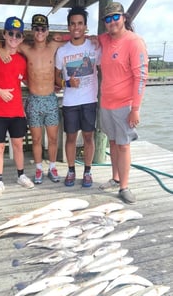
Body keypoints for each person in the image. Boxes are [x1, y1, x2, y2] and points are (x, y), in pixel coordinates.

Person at [0, 14, 65, 184]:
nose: (40, 32)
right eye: (36, 28)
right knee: (36, 139)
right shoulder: (25, 48)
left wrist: (89, 38)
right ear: (32, 31)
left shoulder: (54, 45)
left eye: (43, 29)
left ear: (47, 31)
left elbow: (75, 38)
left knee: (54, 138)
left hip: (50, 99)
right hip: (33, 100)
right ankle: (39, 168)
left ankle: (52, 166)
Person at [98, 2, 148, 204]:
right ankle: (115, 178)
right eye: (107, 19)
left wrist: (135, 109)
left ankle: (124, 186)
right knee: (112, 141)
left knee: (124, 145)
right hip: (106, 103)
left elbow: (141, 77)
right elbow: (90, 39)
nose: (112, 22)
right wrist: (63, 37)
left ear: (124, 18)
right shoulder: (104, 39)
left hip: (125, 105)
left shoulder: (135, 42)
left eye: (115, 17)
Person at [0, 16, 34, 198]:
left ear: (22, 38)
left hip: (17, 111)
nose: (14, 37)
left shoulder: (22, 60)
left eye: (18, 35)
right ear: (4, 34)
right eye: (10, 33)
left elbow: (26, 79)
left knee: (18, 145)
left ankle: (21, 175)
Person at [55, 6, 101, 187]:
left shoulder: (95, 46)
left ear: (85, 26)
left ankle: (88, 171)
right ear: (68, 27)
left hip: (90, 101)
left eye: (80, 23)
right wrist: (67, 83)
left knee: (89, 137)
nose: (76, 27)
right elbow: (56, 77)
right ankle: (71, 170)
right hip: (70, 102)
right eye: (73, 24)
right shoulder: (62, 51)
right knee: (71, 138)